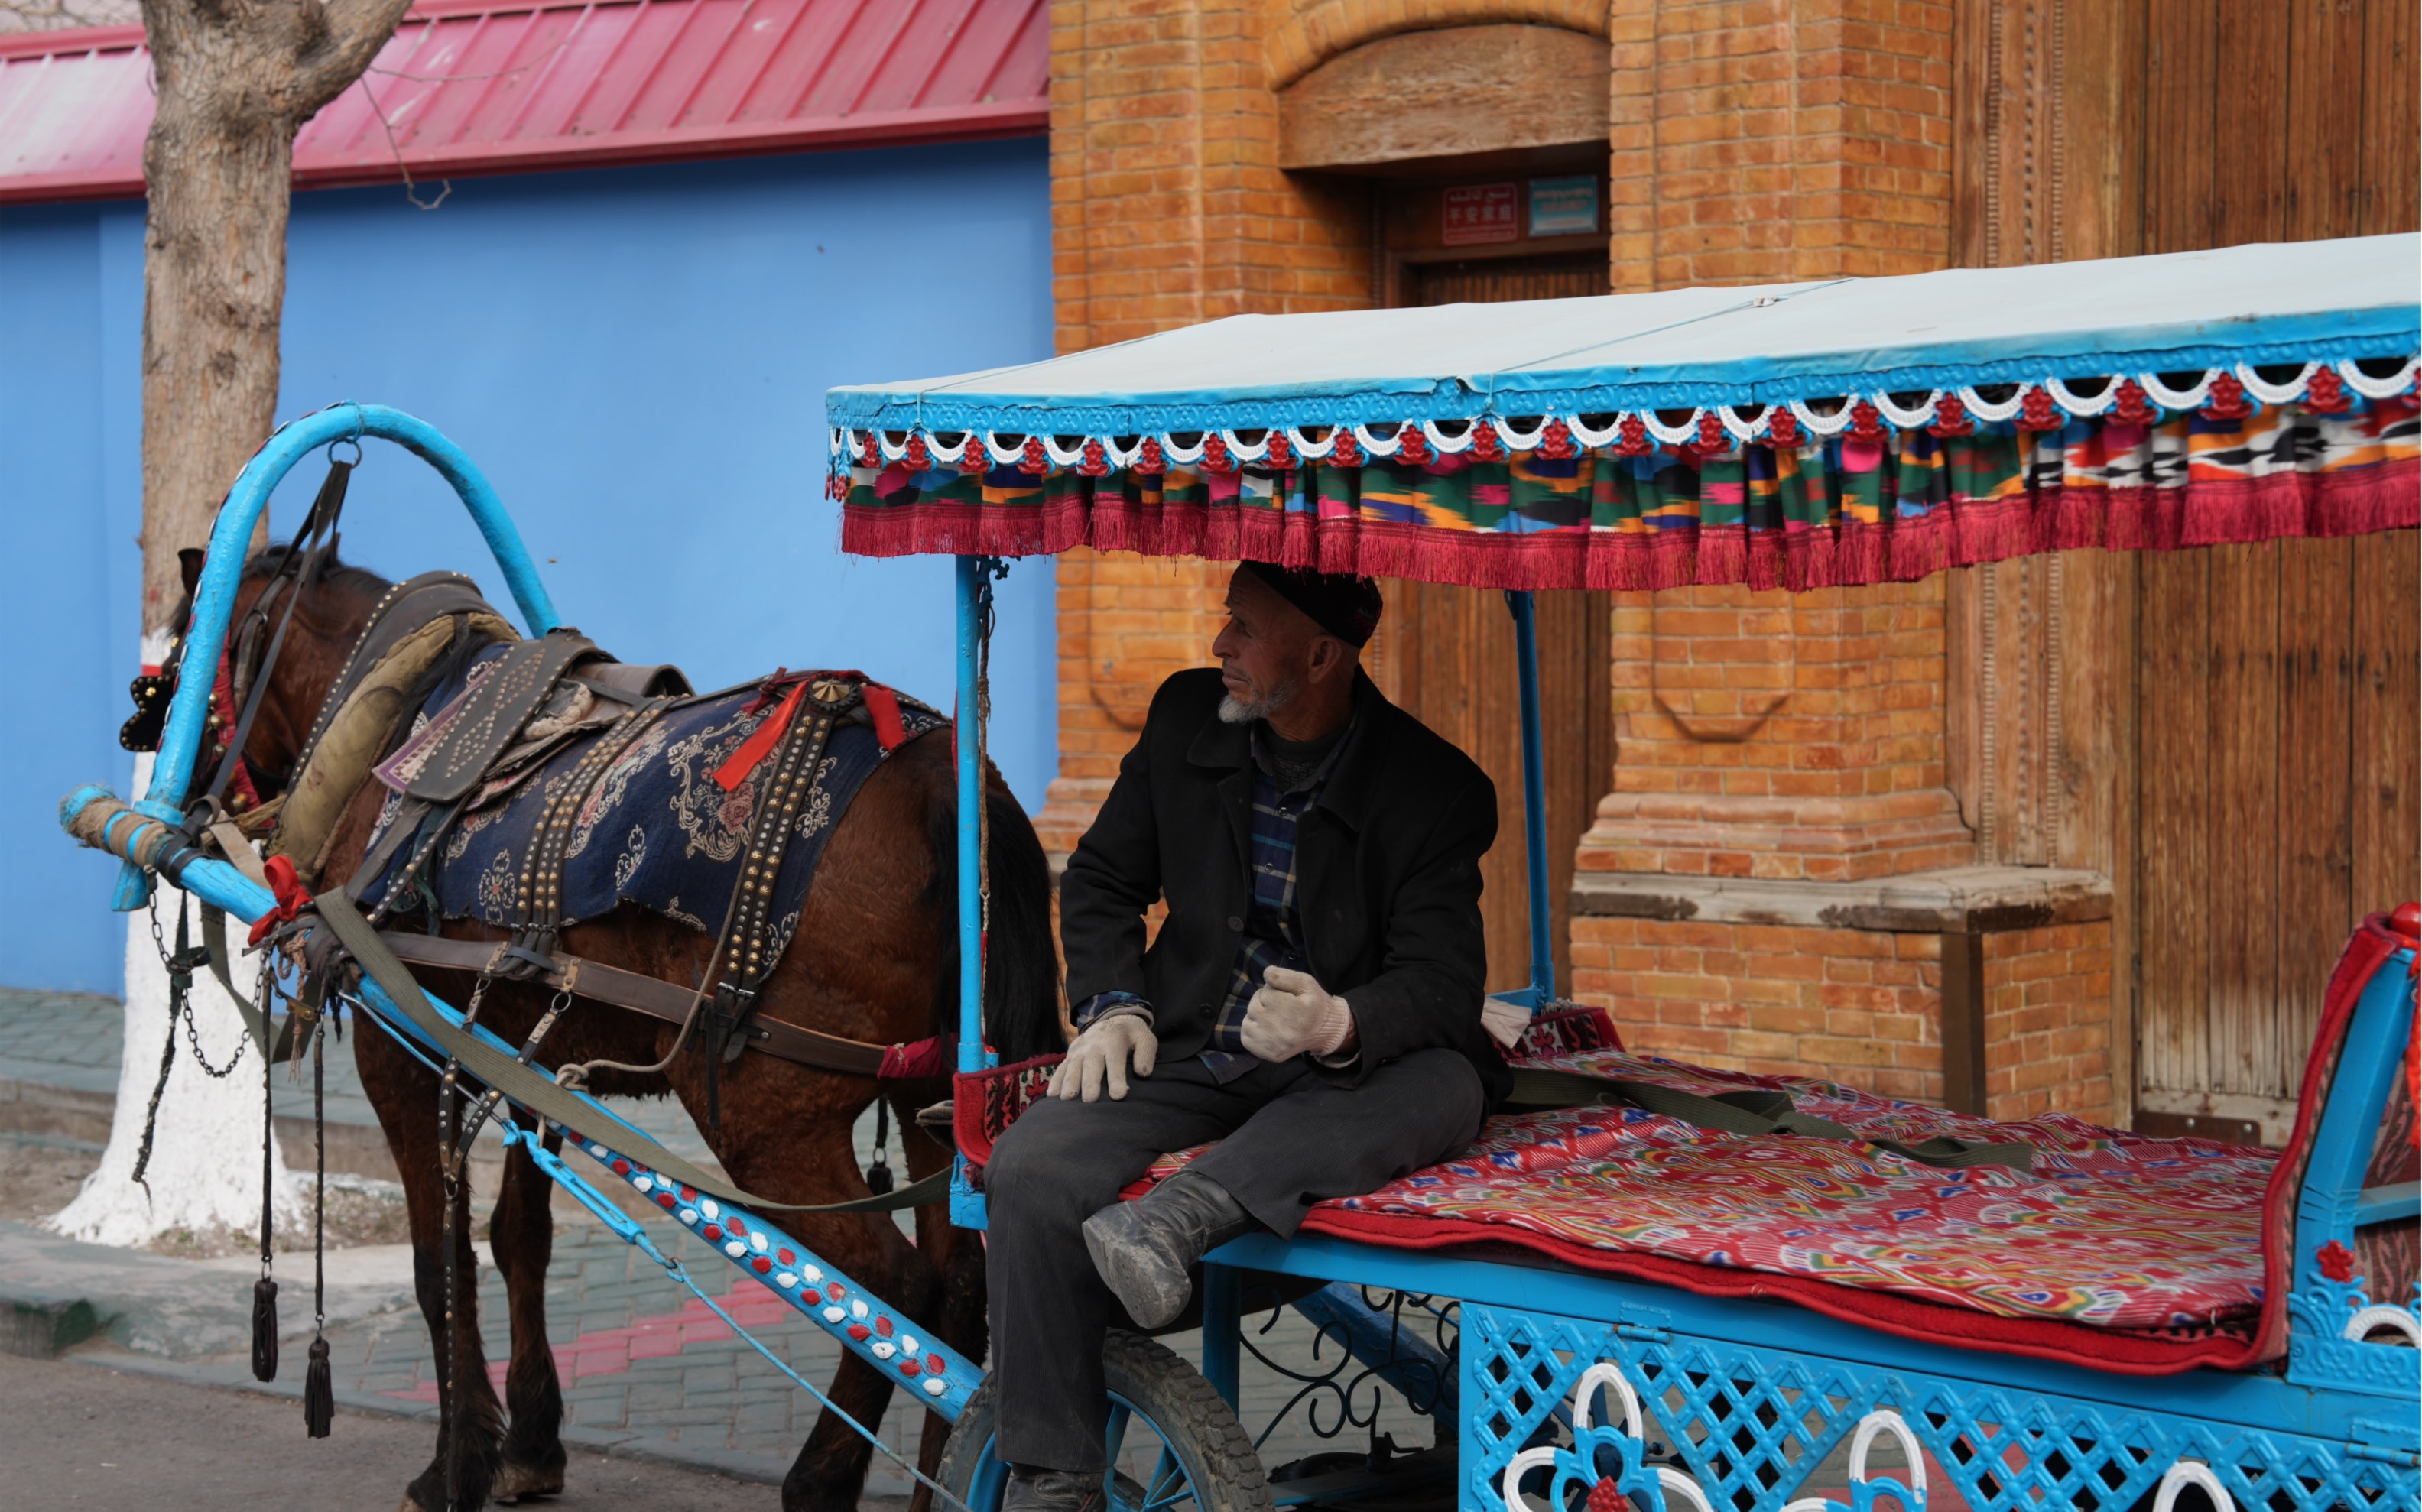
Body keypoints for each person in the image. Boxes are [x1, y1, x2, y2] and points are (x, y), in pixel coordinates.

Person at [981, 559, 1521, 1512]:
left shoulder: (1435, 788)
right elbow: (1103, 879)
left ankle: (1176, 1220)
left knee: (1449, 1082)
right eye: (1225, 621)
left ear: (1321, 655)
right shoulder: (1187, 716)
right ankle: (1056, 1476)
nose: (1220, 645)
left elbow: (1445, 985)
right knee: (1031, 1166)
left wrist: (1341, 1021)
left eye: (1246, 628)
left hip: (1336, 1078)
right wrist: (1111, 1005)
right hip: (1187, 1045)